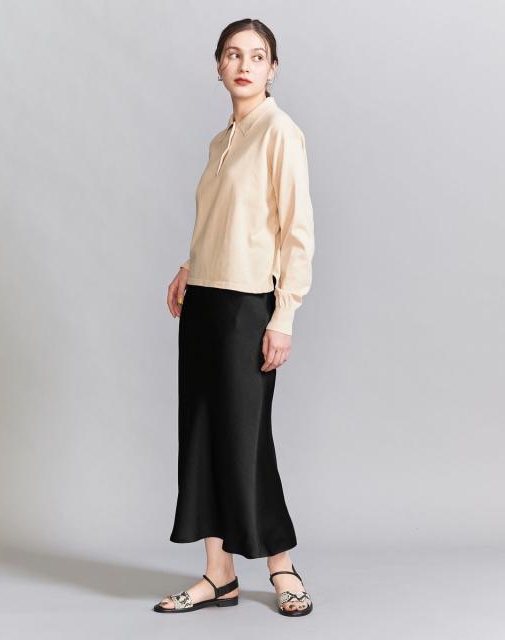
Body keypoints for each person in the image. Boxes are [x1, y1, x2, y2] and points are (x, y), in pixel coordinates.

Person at [155, 18, 315, 617]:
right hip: (204, 301)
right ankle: (218, 575)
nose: (244, 65)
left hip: (249, 305)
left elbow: (296, 233)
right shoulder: (221, 141)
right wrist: (188, 266)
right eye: (232, 54)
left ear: (273, 68)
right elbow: (220, 222)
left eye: (257, 55)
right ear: (219, 66)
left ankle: (282, 566)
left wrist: (284, 316)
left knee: (246, 438)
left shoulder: (280, 133)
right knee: (201, 434)